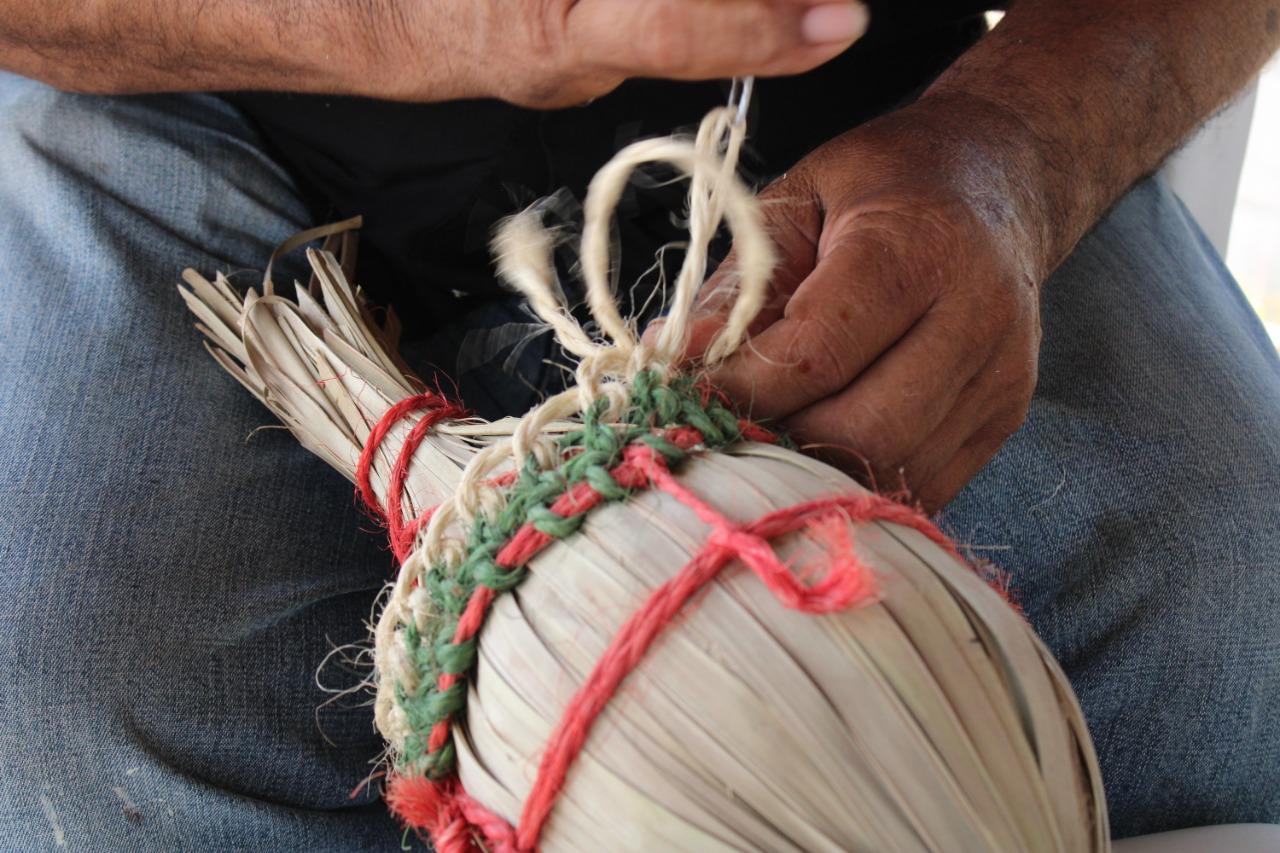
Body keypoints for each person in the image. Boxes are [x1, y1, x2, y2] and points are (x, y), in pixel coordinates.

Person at [1, 1, 1277, 848]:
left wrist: (1016, 146)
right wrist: (384, 21)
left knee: (1225, 651)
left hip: (886, 112)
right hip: (195, 86)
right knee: (84, 741)